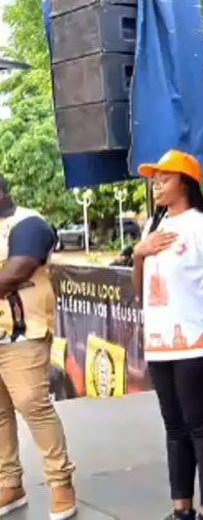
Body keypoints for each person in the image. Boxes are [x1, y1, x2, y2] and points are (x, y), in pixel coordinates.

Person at [133, 150, 203, 520]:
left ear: (186, 183)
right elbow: (140, 291)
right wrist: (139, 254)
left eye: (165, 179)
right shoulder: (152, 227)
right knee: (174, 428)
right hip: (160, 346)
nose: (156, 185)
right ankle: (181, 509)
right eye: (154, 180)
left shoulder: (202, 227)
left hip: (197, 345)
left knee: (202, 426)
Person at [0, 175, 76, 520]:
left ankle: (61, 484)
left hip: (23, 335)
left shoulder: (28, 224)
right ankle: (9, 484)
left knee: (33, 405)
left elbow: (16, 271)